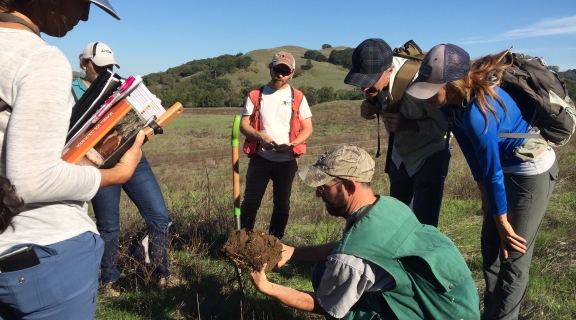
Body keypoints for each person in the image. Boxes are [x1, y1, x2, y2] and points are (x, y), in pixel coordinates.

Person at [0, 1, 144, 319]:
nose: (84, 15)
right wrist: (115, 175)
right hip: (43, 251)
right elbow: (32, 181)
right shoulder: (40, 58)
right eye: (81, 2)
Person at [406, 43, 559, 319]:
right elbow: (470, 150)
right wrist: (484, 195)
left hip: (529, 170)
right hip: (502, 169)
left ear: (452, 84)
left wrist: (502, 221)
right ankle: (491, 310)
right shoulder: (449, 106)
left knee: (513, 254)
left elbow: (493, 171)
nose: (424, 97)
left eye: (431, 89)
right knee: (490, 247)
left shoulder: (480, 113)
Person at [250, 144, 480, 319]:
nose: (318, 195)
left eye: (323, 187)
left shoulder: (352, 256)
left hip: (439, 313)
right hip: (455, 304)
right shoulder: (389, 206)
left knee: (345, 307)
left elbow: (326, 306)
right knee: (324, 271)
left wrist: (267, 287)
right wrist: (294, 251)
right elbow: (344, 248)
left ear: (349, 185)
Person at [74, 41, 173, 297]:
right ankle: (110, 281)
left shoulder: (121, 87)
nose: (105, 72)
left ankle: (162, 273)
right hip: (99, 164)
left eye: (110, 67)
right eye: (99, 67)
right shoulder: (71, 91)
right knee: (108, 226)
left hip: (133, 156)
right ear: (83, 64)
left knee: (160, 217)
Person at [344, 38, 450, 227]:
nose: (364, 88)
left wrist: (410, 125)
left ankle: (422, 255)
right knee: (397, 219)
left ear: (390, 69)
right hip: (399, 157)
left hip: (430, 155)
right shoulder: (373, 81)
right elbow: (375, 97)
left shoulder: (420, 82)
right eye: (360, 82)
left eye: (368, 82)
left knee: (423, 223)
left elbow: (446, 127)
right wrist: (369, 107)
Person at [239, 51, 313, 239]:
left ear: (292, 73)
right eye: (277, 69)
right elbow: (243, 125)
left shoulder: (298, 97)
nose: (280, 74)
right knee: (250, 203)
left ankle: (274, 244)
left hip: (287, 161)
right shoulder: (256, 95)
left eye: (285, 71)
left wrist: (293, 144)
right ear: (270, 68)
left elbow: (308, 129)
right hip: (260, 159)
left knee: (282, 204)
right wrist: (260, 136)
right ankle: (244, 242)